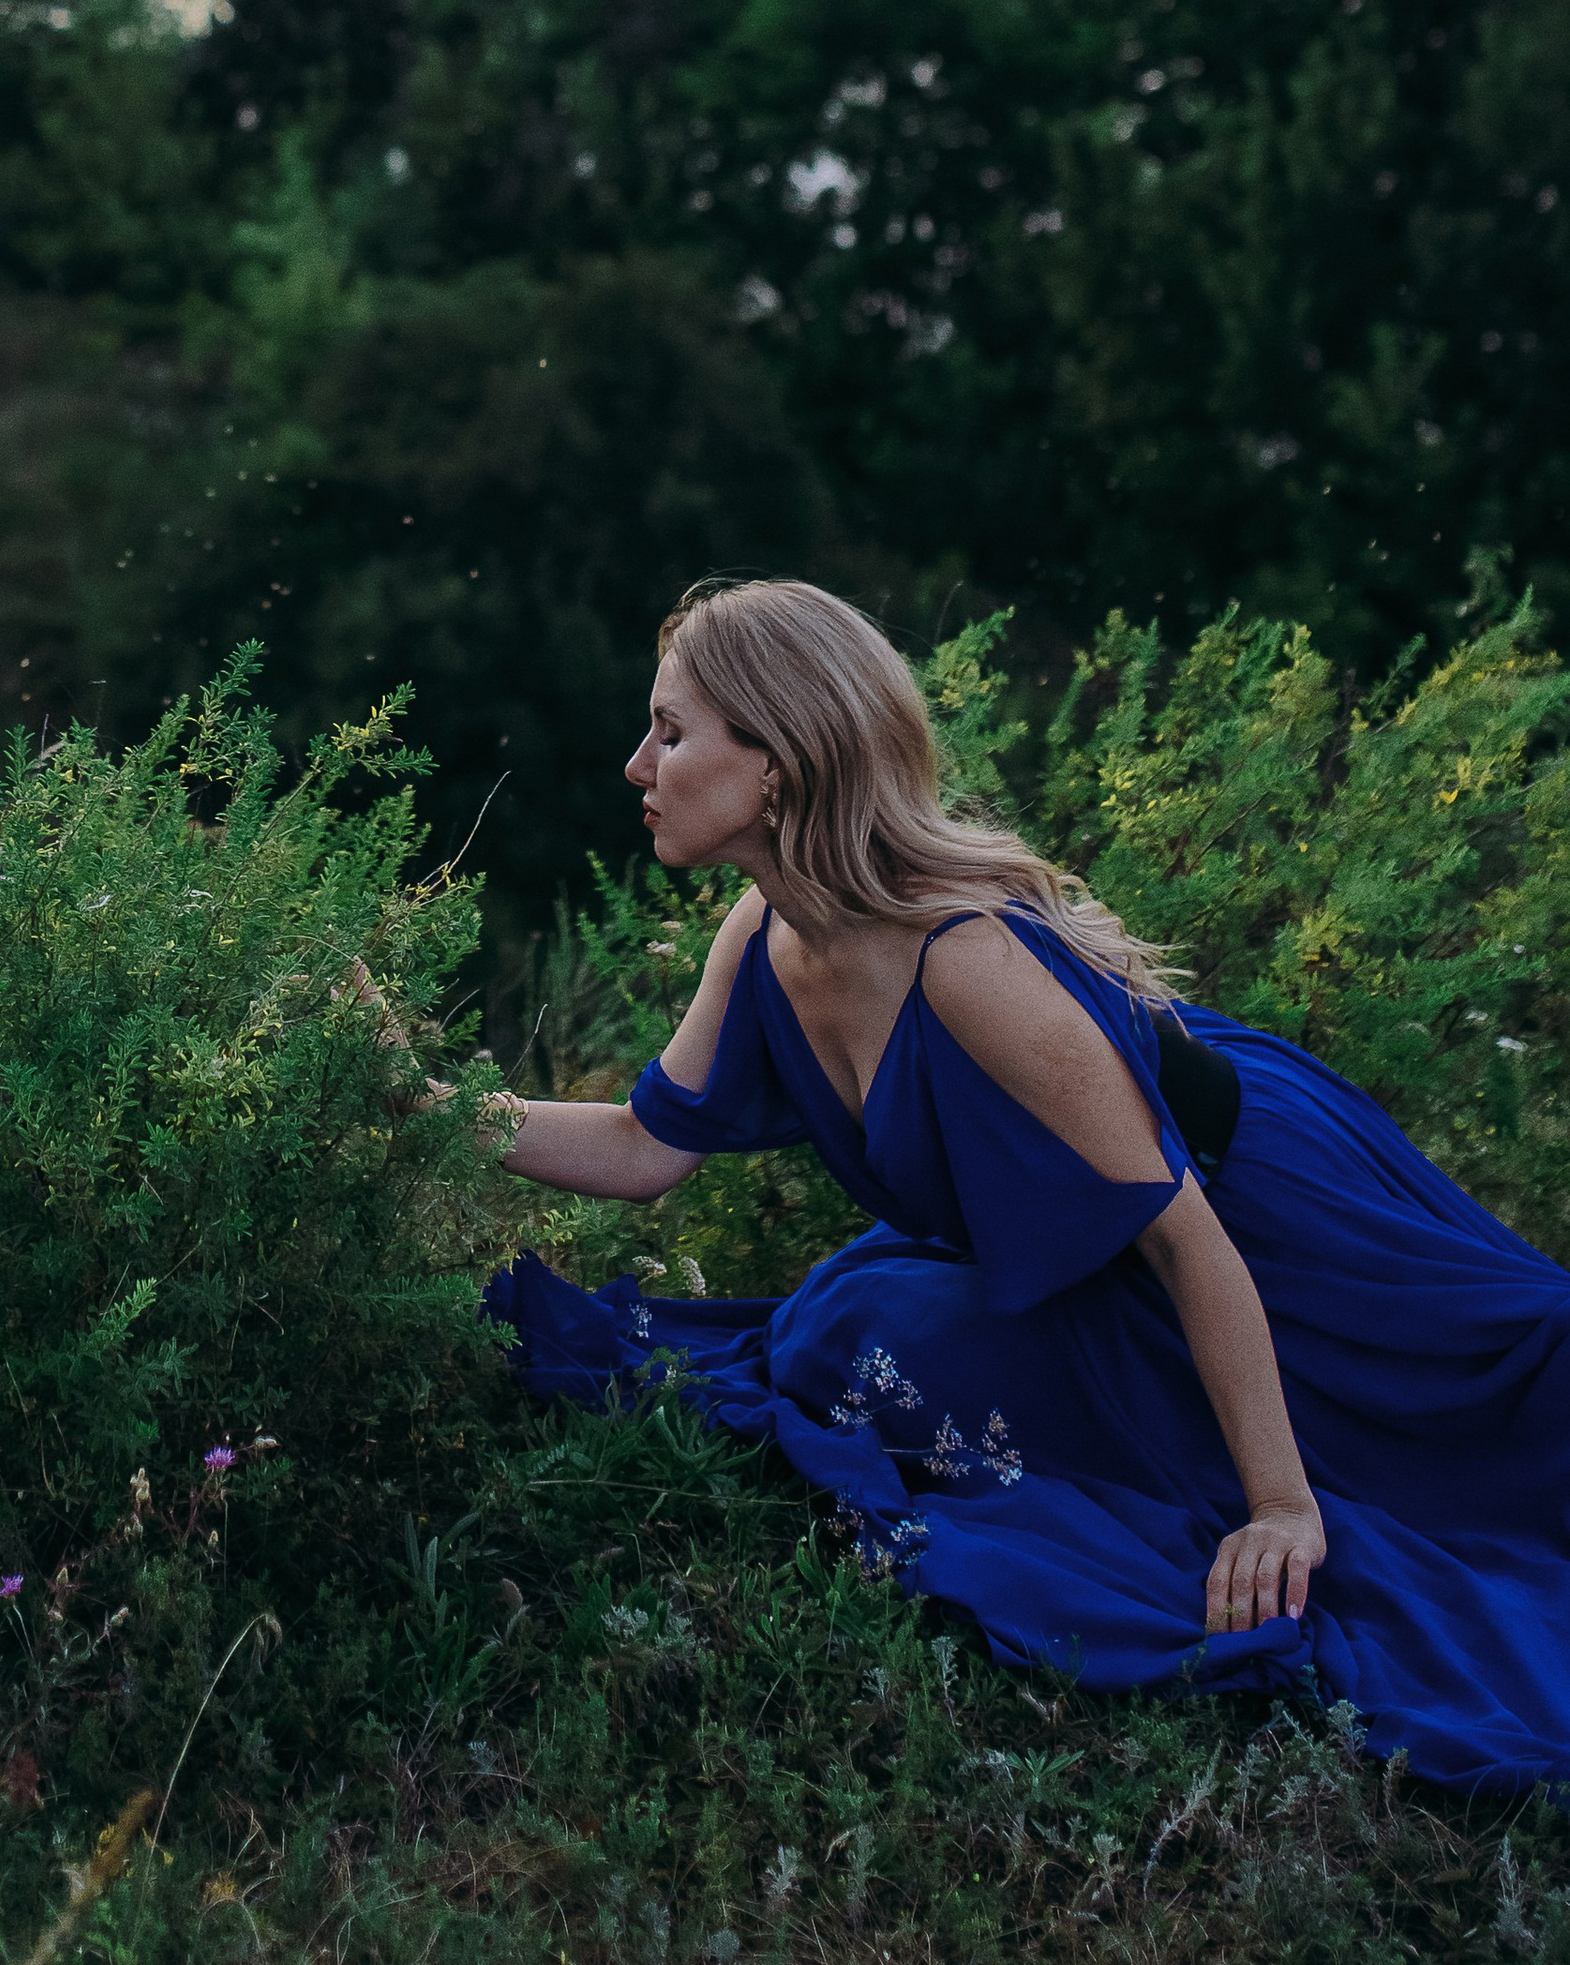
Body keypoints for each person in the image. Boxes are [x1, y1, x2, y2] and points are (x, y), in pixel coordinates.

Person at [473, 575, 1570, 1792]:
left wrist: (1280, 1510)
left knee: (1508, 1441)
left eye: (670, 732)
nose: (637, 763)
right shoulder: (765, 934)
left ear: (775, 763)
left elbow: (1187, 1242)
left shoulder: (964, 963)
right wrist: (421, 1106)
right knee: (844, 1330)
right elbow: (641, 1146)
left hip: (1274, 1227)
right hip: (1116, 1244)